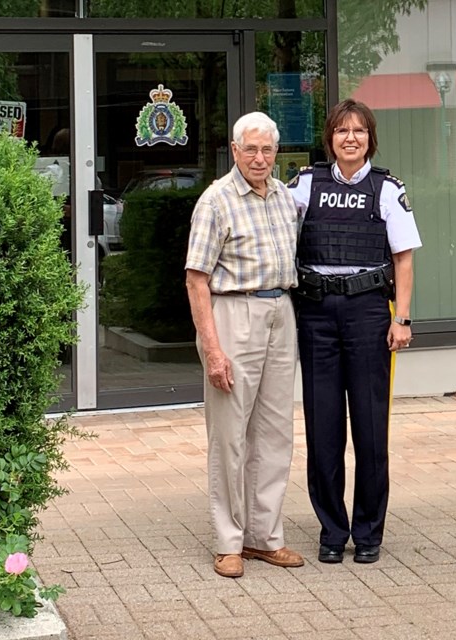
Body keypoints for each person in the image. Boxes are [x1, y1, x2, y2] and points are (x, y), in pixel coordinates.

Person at [287, 99, 422, 565]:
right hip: (317, 313)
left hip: (368, 312)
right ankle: (331, 531)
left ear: (370, 138)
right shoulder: (305, 185)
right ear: (330, 138)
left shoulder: (387, 189)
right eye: (342, 131)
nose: (350, 138)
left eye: (359, 131)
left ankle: (368, 533)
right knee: (323, 429)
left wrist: (400, 318)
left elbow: (403, 257)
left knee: (369, 429)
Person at [184, 111, 304, 578]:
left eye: (267, 149)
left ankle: (264, 537)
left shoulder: (282, 197)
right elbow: (196, 280)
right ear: (234, 150)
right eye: (250, 149)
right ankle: (228, 541)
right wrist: (213, 349)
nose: (259, 157)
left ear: (276, 152)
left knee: (275, 434)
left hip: (280, 314)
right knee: (230, 435)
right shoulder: (216, 200)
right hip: (234, 314)